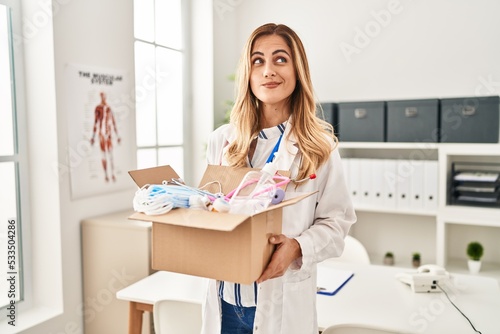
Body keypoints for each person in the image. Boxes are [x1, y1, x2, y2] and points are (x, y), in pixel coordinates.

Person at [203, 23, 356, 334]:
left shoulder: (319, 148)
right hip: (225, 304)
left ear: (297, 70)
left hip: (280, 305)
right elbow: (206, 210)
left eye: (280, 59)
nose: (268, 70)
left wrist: (296, 247)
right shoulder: (222, 141)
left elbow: (337, 223)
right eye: (258, 60)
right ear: (248, 73)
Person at [90, 91, 121, 182]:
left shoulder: (109, 108)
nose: (103, 97)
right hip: (102, 135)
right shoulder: (98, 108)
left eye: (104, 96)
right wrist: (93, 136)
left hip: (109, 134)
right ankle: (106, 175)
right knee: (104, 155)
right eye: (102, 96)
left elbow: (113, 122)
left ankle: (112, 174)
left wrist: (117, 135)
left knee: (110, 155)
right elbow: (96, 122)